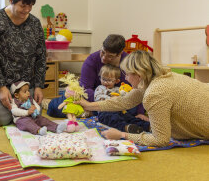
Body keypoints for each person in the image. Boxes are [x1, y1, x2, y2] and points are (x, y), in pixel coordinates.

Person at [78, 50, 209, 147]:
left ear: (139, 74)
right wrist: (88, 105)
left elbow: (161, 140)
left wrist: (122, 135)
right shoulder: (161, 76)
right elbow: (123, 101)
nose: (126, 78)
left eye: (127, 74)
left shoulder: (156, 92)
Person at [47, 34, 144, 117]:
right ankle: (94, 111)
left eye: (110, 56)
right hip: (93, 98)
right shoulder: (92, 60)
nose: (104, 58)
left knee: (131, 110)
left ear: (120, 54)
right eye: (103, 52)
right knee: (54, 108)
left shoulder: (129, 63)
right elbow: (86, 88)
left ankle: (92, 112)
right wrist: (101, 102)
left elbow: (137, 90)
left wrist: (141, 113)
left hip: (119, 102)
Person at [95, 64, 150, 134]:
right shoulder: (100, 88)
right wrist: (113, 99)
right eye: (103, 79)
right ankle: (126, 127)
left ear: (117, 81)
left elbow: (127, 98)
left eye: (109, 80)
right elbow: (98, 99)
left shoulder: (119, 89)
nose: (105, 82)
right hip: (106, 111)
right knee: (110, 118)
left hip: (121, 111)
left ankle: (148, 126)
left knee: (131, 118)